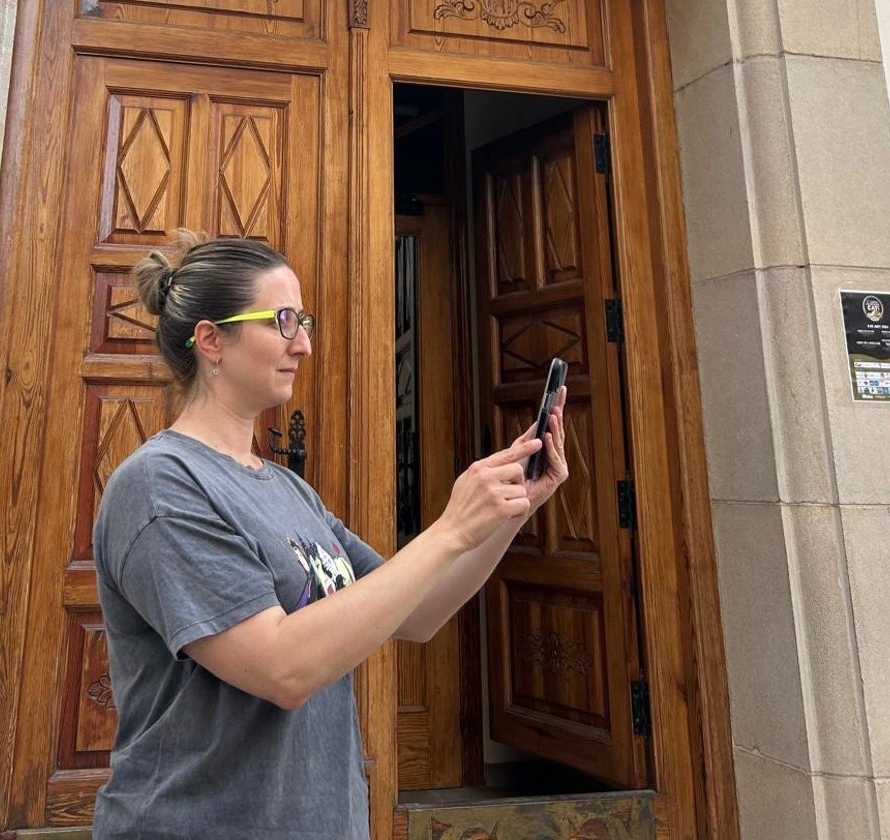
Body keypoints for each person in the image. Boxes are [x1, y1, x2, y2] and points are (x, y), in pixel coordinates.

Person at [92, 230, 569, 840]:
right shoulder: (161, 486)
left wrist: (511, 511)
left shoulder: (288, 491)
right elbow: (282, 669)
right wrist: (449, 528)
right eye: (284, 320)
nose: (305, 344)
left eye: (303, 320)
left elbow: (418, 612)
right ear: (212, 339)